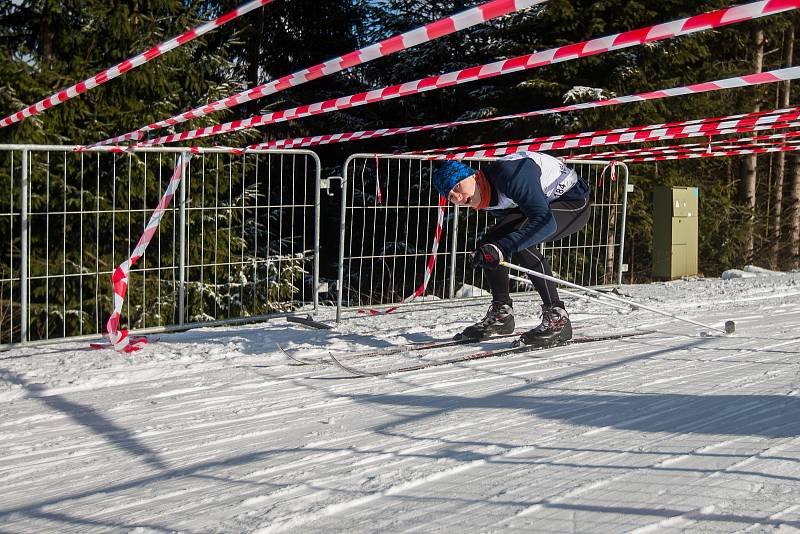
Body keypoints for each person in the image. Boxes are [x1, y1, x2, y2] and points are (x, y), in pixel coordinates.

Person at [432, 151, 591, 346]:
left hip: (572, 202)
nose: (458, 196)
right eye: (451, 196)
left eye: (457, 186)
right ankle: (502, 314)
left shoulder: (511, 175)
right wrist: (496, 247)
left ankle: (557, 317)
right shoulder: (484, 195)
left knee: (520, 242)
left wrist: (502, 248)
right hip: (546, 203)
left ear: (472, 175)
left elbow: (544, 222)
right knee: (490, 243)